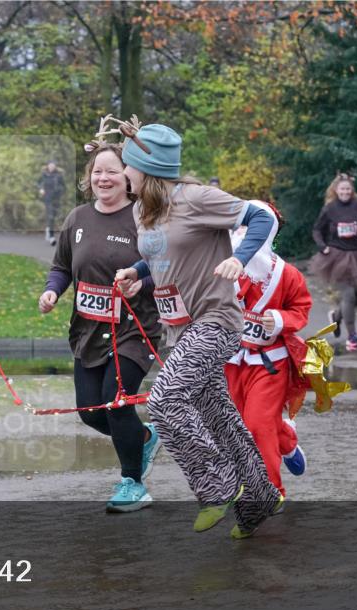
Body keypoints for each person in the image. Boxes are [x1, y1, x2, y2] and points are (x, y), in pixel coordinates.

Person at [111, 118, 282, 538]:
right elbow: (164, 257)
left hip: (216, 320)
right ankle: (259, 499)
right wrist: (137, 272)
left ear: (145, 169)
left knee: (166, 400)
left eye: (125, 165)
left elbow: (261, 217)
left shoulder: (196, 198)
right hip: (179, 329)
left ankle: (218, 486)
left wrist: (239, 258)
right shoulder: (141, 210)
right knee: (219, 415)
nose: (121, 173)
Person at [38, 136, 163, 512]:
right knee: (90, 411)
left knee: (116, 401)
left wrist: (142, 280)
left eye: (112, 171)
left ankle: (133, 483)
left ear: (128, 178)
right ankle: (142, 438)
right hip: (89, 330)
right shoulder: (77, 218)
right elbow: (61, 266)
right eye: (97, 171)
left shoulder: (145, 219)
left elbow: (169, 265)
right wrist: (52, 292)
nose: (103, 178)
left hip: (134, 329)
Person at [224, 201, 312, 499]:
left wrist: (278, 320)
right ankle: (286, 441)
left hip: (270, 364)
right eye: (242, 226)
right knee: (237, 424)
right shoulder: (223, 267)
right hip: (231, 362)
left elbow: (301, 309)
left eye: (255, 228)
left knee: (258, 425)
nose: (246, 233)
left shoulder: (287, 275)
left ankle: (268, 494)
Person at [310, 173, 357, 351]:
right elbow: (317, 230)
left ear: (352, 191)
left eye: (348, 189)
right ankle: (352, 337)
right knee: (348, 295)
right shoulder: (330, 208)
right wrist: (322, 246)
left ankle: (336, 316)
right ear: (336, 190)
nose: (345, 192)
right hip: (337, 256)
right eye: (342, 189)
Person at [38, 161, 66, 245]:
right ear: (47, 166)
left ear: (55, 167)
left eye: (53, 166)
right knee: (50, 216)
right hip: (47, 198)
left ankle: (48, 229)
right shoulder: (44, 174)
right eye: (50, 166)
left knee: (53, 216)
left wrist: (59, 191)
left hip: (56, 199)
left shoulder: (58, 176)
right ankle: (51, 236)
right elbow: (38, 183)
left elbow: (64, 187)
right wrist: (41, 189)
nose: (51, 167)